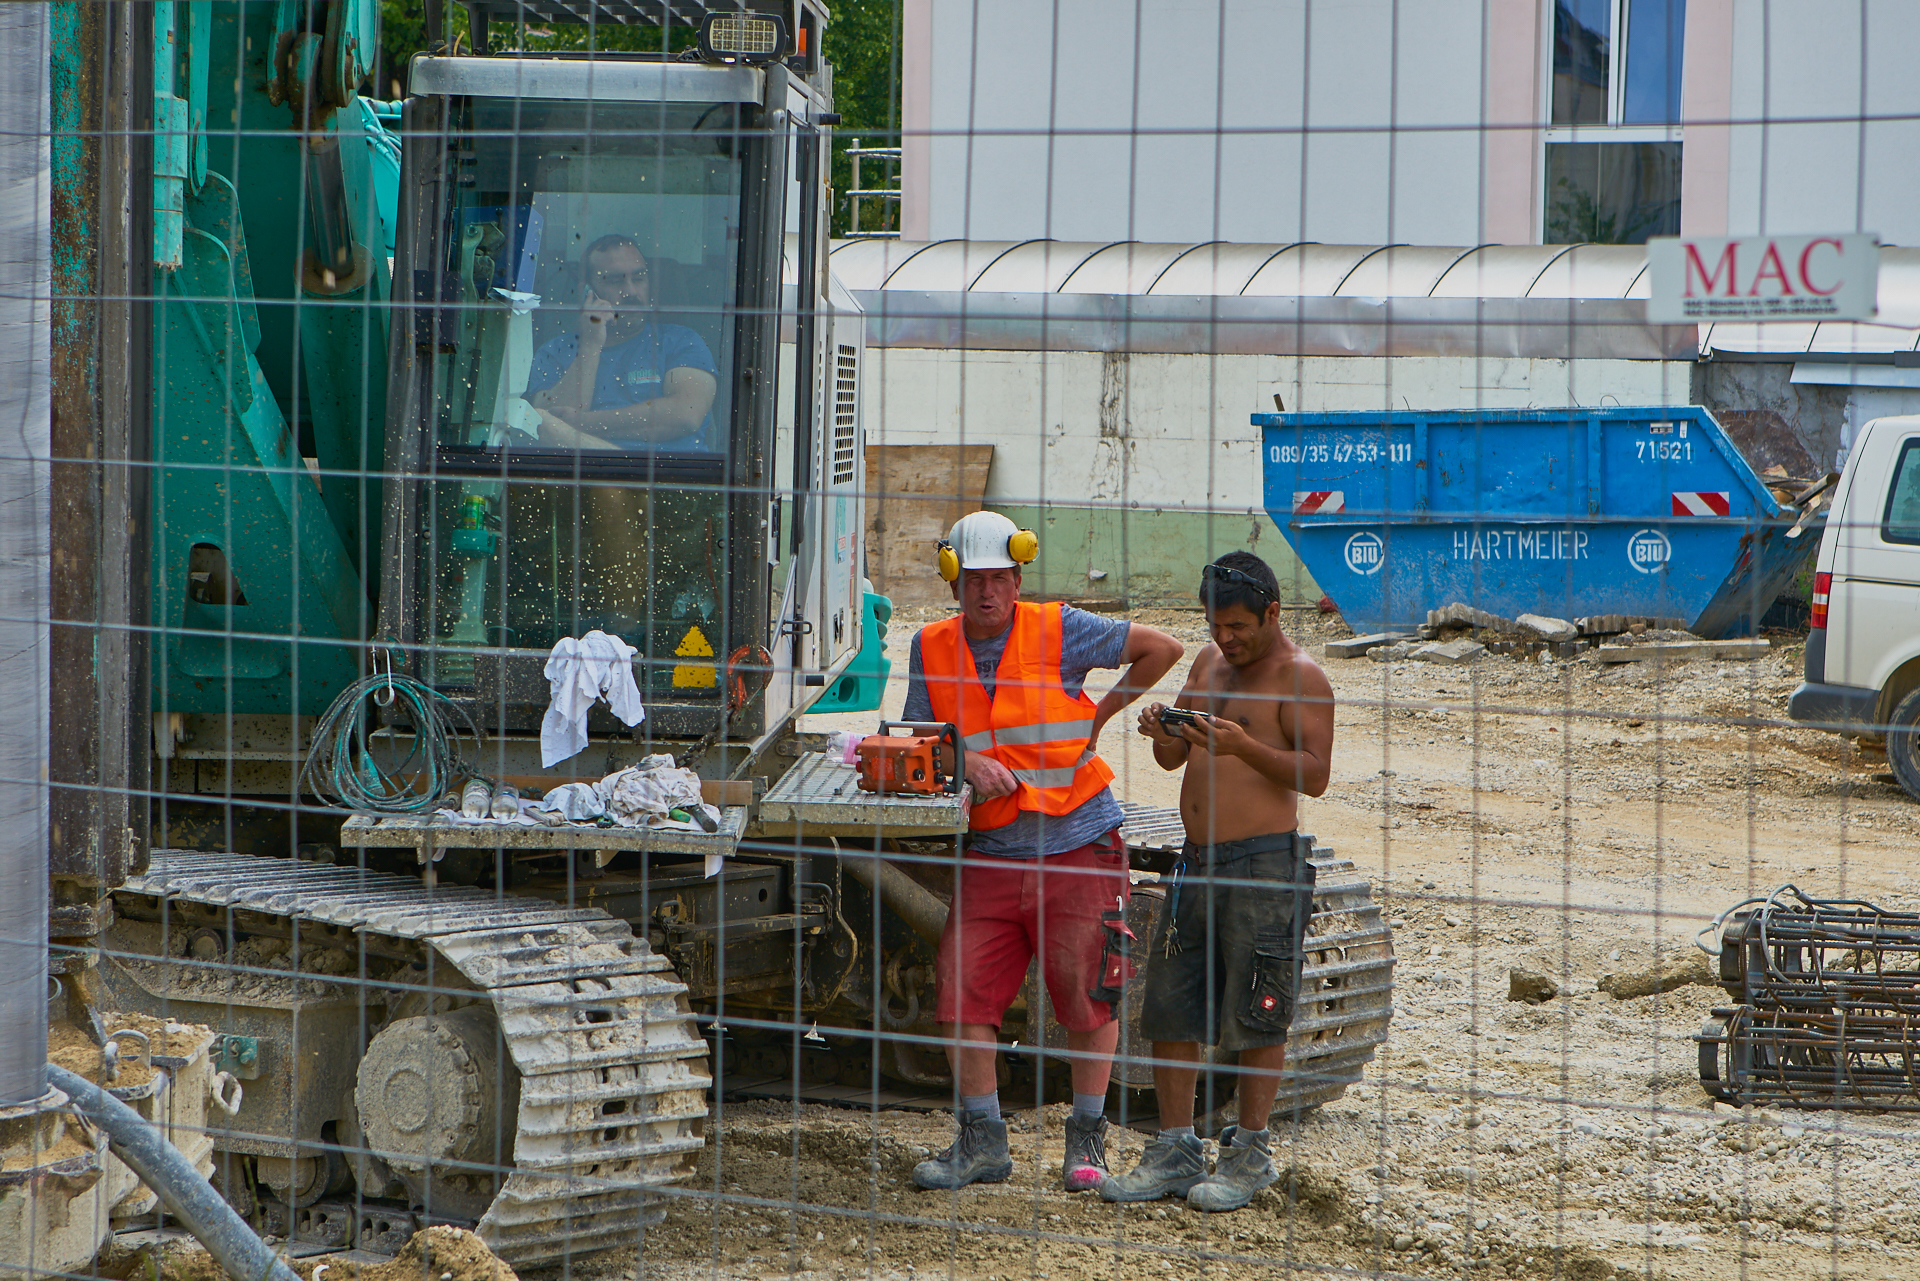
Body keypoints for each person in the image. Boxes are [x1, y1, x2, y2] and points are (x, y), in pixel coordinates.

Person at [902, 511, 1183, 1193]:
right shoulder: (930, 646)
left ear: (1019, 579)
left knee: (1090, 997)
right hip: (992, 850)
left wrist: (1101, 714)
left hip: (1079, 842)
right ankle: (982, 1142)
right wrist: (965, 762)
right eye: (975, 579)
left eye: (1000, 577)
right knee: (962, 994)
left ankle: (1086, 1139)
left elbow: (1163, 647)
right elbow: (919, 737)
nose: (987, 591)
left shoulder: (1059, 628)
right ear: (954, 583)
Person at [1100, 550, 1334, 1212]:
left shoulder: (1302, 678)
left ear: (1272, 613)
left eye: (1237, 626)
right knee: (1171, 1005)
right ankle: (1176, 1149)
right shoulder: (1207, 664)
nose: (1225, 638)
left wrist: (1242, 746)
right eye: (1215, 626)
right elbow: (1174, 755)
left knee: (1259, 1011)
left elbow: (1316, 774)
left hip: (1263, 867)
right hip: (1194, 862)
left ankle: (1250, 1154)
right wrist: (1161, 731)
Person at [526, 233, 719, 453]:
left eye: (639, 278)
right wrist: (590, 345)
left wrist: (583, 423)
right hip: (587, 474)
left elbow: (685, 415)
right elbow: (547, 428)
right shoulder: (554, 352)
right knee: (542, 420)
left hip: (671, 472)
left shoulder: (681, 341)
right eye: (615, 281)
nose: (631, 292)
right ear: (587, 292)